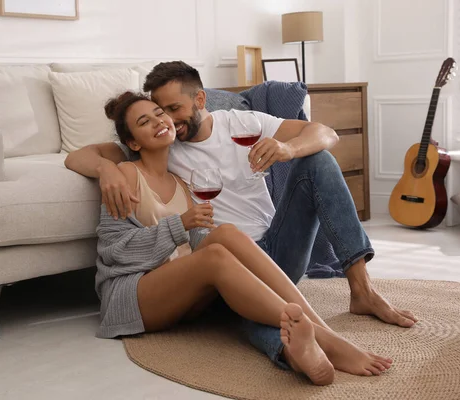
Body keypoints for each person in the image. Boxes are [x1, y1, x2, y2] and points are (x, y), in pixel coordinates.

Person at [66, 61, 418, 371]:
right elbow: (80, 164)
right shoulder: (141, 162)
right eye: (157, 113)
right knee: (226, 266)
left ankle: (355, 297)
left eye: (170, 109)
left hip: (270, 253)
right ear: (136, 141)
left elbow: (326, 133)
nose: (166, 120)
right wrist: (105, 169)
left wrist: (286, 148)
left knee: (305, 171)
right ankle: (311, 345)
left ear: (200, 101)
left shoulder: (229, 133)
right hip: (172, 280)